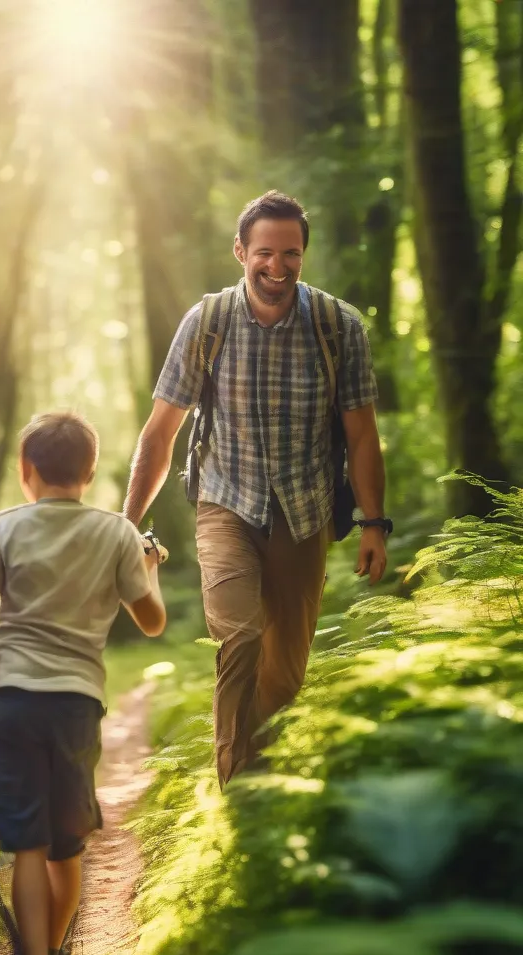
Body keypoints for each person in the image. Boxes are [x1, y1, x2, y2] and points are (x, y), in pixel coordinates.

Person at [123, 189, 389, 788]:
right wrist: (125, 522)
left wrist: (374, 523)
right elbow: (161, 432)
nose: (277, 267)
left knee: (286, 675)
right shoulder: (208, 323)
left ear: (303, 255)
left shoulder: (337, 327)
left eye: (290, 253)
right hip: (227, 502)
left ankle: (262, 769)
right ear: (240, 250)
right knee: (239, 637)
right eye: (264, 252)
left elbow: (363, 436)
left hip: (306, 508)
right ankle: (235, 789)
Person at [0, 412, 166, 955]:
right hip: (75, 704)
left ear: (27, 470)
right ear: (91, 471)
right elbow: (151, 622)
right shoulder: (118, 533)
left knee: (26, 844)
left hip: (11, 697)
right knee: (66, 847)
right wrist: (148, 566)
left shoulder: (2, 527)